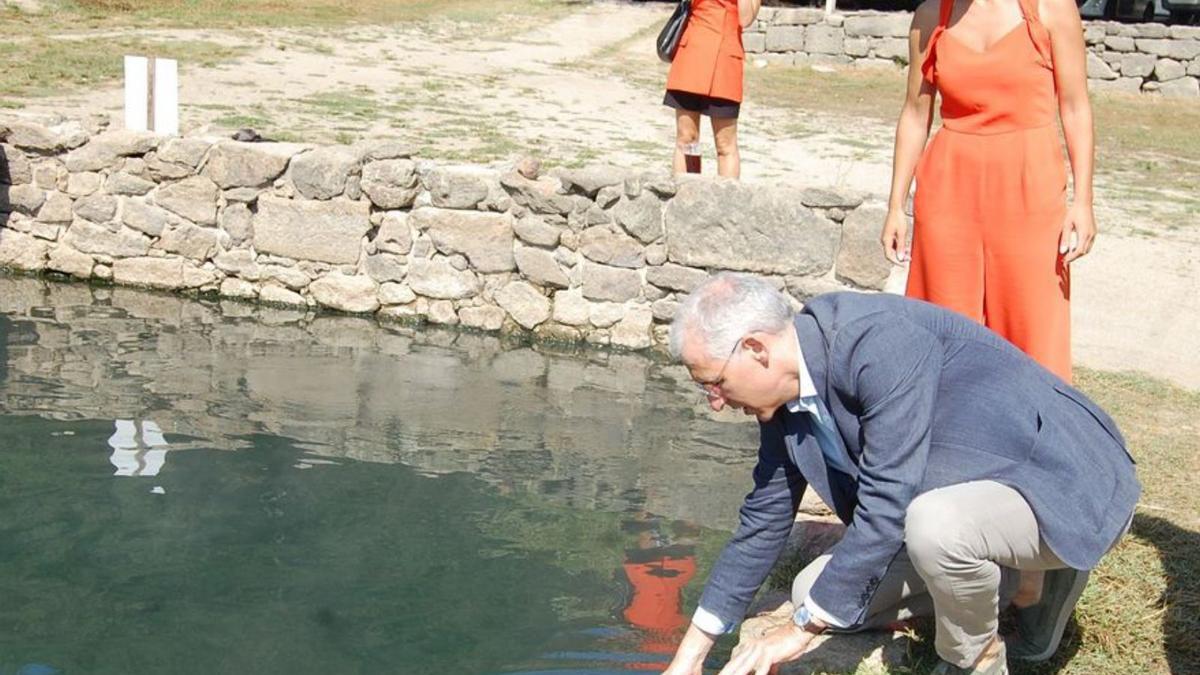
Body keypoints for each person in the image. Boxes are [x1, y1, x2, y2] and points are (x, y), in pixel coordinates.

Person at [661, 274, 1138, 675]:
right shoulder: (782, 396)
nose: (715, 402)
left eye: (714, 383)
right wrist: (689, 657)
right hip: (976, 486)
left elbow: (887, 504)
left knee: (936, 526)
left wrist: (798, 630)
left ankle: (976, 656)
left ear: (755, 349)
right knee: (815, 594)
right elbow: (762, 523)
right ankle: (1012, 580)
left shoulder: (875, 343)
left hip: (1060, 480)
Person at [880, 0, 1096, 383]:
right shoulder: (931, 16)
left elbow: (1076, 107)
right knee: (942, 323)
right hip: (948, 186)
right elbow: (915, 113)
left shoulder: (1052, 10)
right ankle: (944, 430)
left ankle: (1037, 431)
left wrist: (1083, 201)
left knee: (1032, 324)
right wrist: (896, 205)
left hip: (1029, 183)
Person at [663, 0, 761, 179]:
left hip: (725, 62)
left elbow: (745, 19)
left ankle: (726, 203)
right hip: (691, 53)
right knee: (687, 139)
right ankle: (687, 198)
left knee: (725, 145)